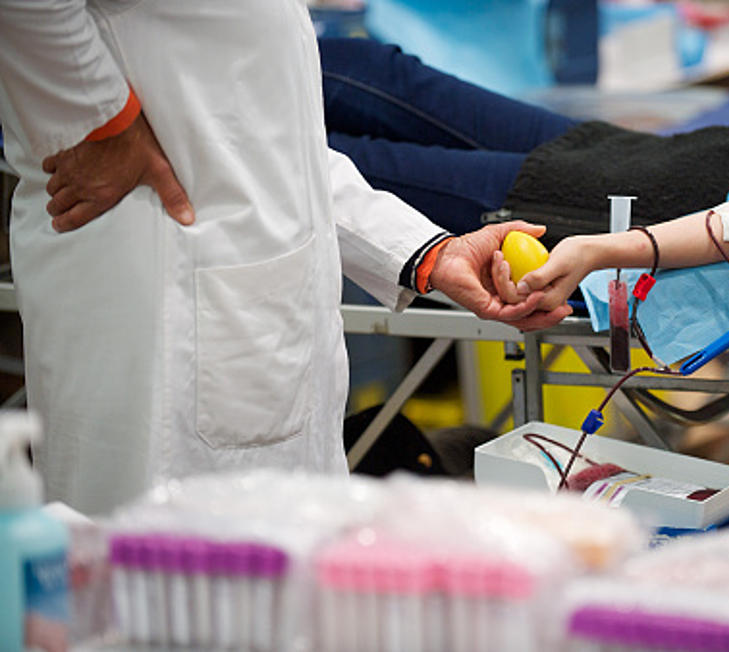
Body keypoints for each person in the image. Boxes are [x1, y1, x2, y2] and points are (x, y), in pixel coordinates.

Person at [0, 1, 568, 515]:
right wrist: (102, 123)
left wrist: (427, 253)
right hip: (159, 296)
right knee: (149, 592)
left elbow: (273, 142)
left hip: (250, 318)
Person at [318, 38, 729, 254]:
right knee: (376, 72)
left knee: (353, 169)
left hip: (665, 205)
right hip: (676, 161)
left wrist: (620, 249)